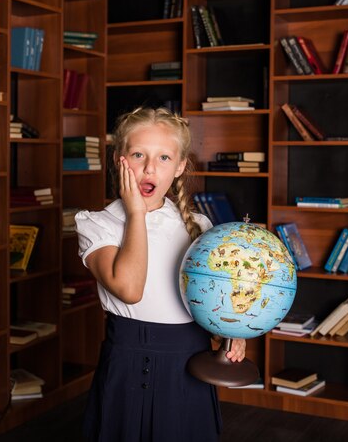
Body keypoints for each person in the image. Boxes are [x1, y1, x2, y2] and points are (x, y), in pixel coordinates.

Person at [75, 106, 246, 442]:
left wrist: (231, 333)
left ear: (180, 166)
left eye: (164, 158)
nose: (150, 168)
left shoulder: (201, 227)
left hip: (190, 363)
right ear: (118, 159)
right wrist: (136, 212)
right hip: (128, 363)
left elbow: (213, 302)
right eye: (138, 154)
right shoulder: (97, 224)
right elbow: (129, 289)